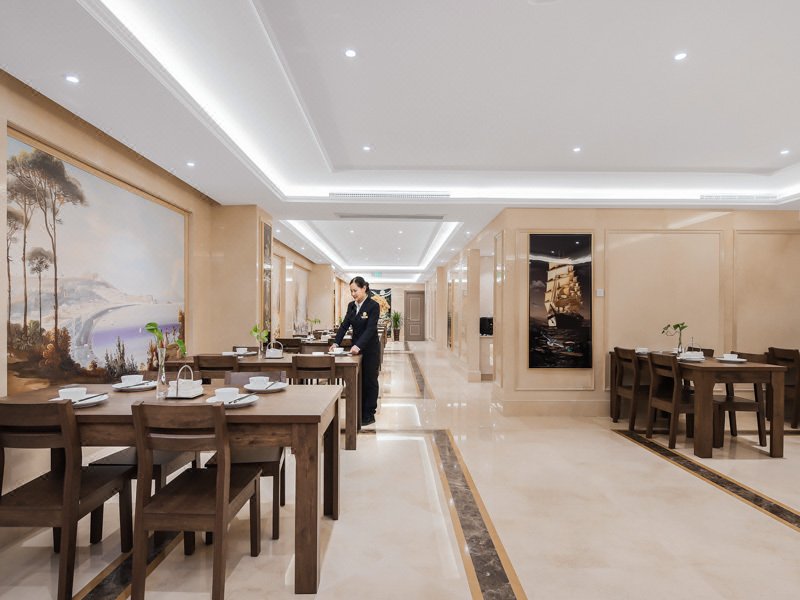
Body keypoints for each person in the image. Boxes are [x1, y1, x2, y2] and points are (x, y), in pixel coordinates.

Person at [330, 276, 380, 426]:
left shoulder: (373, 306)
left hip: (370, 349)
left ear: (364, 288)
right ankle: (359, 410)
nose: (353, 294)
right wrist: (336, 342)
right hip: (355, 350)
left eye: (355, 290)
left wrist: (358, 345)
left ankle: (369, 414)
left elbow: (370, 329)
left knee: (370, 380)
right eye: (351, 291)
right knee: (358, 380)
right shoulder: (351, 306)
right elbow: (344, 325)